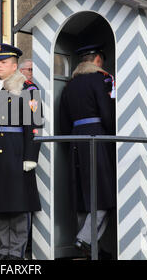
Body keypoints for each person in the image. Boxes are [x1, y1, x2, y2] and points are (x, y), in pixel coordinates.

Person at [0, 44, 43, 260]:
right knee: (0, 203)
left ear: (14, 65)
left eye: (3, 62)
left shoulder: (28, 88)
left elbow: (34, 124)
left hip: (17, 150)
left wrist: (30, 156)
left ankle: (15, 252)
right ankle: (4, 249)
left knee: (17, 204)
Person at [59, 44, 116, 258]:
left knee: (84, 194)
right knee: (103, 193)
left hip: (75, 140)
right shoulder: (101, 80)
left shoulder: (70, 85)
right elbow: (107, 114)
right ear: (98, 60)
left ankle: (93, 248)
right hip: (97, 138)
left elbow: (63, 120)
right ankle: (85, 239)